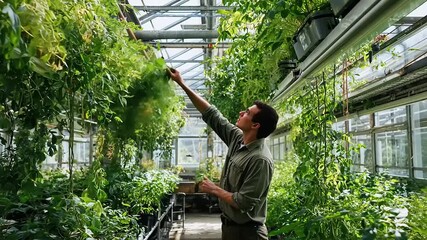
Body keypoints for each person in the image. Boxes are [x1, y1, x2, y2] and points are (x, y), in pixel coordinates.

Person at [167, 68, 279, 240]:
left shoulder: (260, 159)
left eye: (247, 113)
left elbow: (244, 203)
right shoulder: (237, 138)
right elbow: (212, 115)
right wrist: (181, 83)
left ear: (255, 125)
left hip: (248, 233)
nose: (242, 113)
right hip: (229, 228)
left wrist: (215, 189)